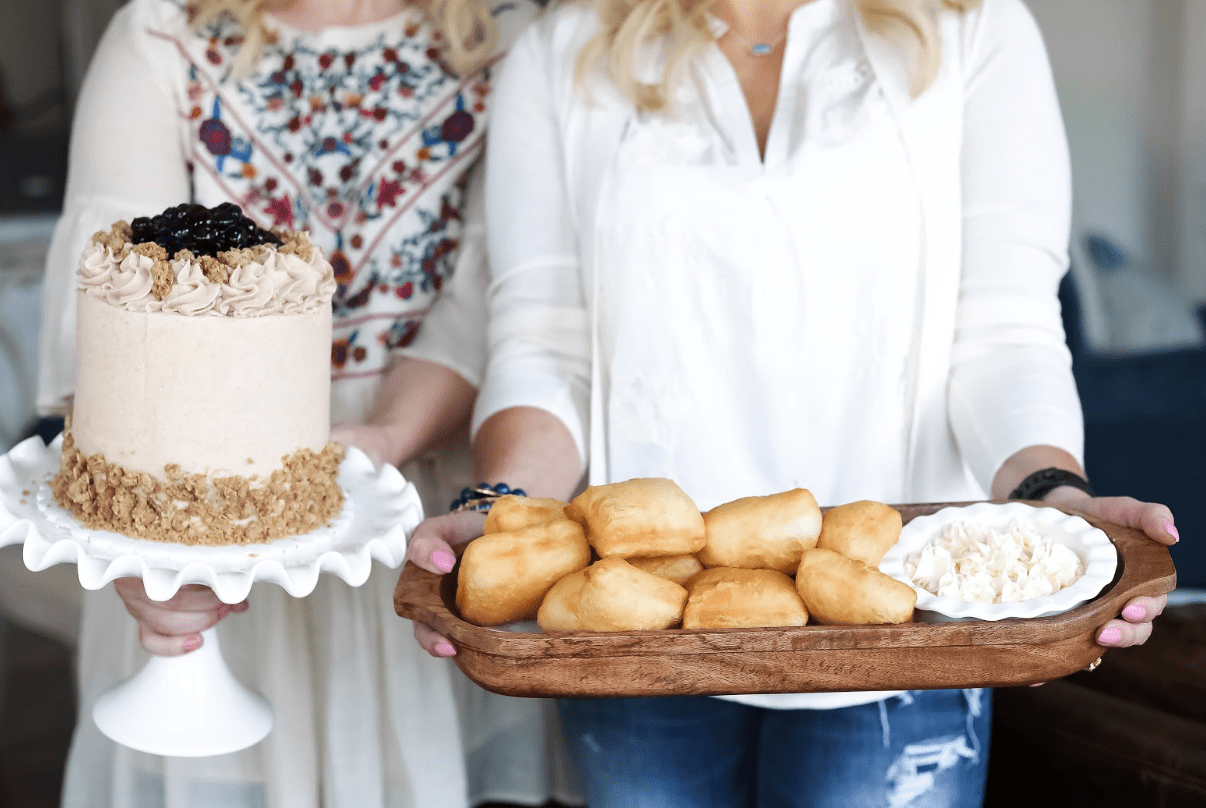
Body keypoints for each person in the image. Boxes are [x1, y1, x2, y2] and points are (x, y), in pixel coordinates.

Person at [403, 0, 1180, 805]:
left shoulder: (974, 25)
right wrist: (504, 509)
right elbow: (544, 346)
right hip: (631, 631)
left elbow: (1003, 332)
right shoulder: (565, 47)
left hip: (908, 626)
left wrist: (1049, 499)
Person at [35, 1, 583, 806]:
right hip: (193, 484)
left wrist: (379, 441)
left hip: (415, 502)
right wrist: (147, 542)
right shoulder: (161, 32)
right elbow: (119, 309)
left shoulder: (510, 37)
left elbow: (493, 296)